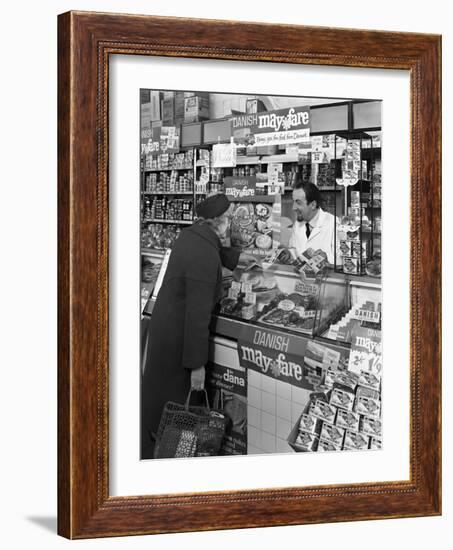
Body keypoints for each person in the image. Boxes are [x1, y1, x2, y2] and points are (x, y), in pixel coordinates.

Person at [141, 194, 251, 459]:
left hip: (165, 336)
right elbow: (197, 315)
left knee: (159, 406)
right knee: (179, 414)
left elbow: (210, 248)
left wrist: (237, 259)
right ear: (219, 221)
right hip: (180, 344)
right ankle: (171, 464)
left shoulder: (190, 237)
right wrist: (197, 365)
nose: (230, 223)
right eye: (228, 218)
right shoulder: (203, 253)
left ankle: (154, 447)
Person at [289, 181, 337, 263]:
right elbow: (294, 253)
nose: (294, 208)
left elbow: (343, 260)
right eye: (293, 202)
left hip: (324, 275)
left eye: (298, 203)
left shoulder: (334, 224)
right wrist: (288, 255)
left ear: (313, 205)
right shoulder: (297, 224)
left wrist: (327, 259)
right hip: (301, 275)